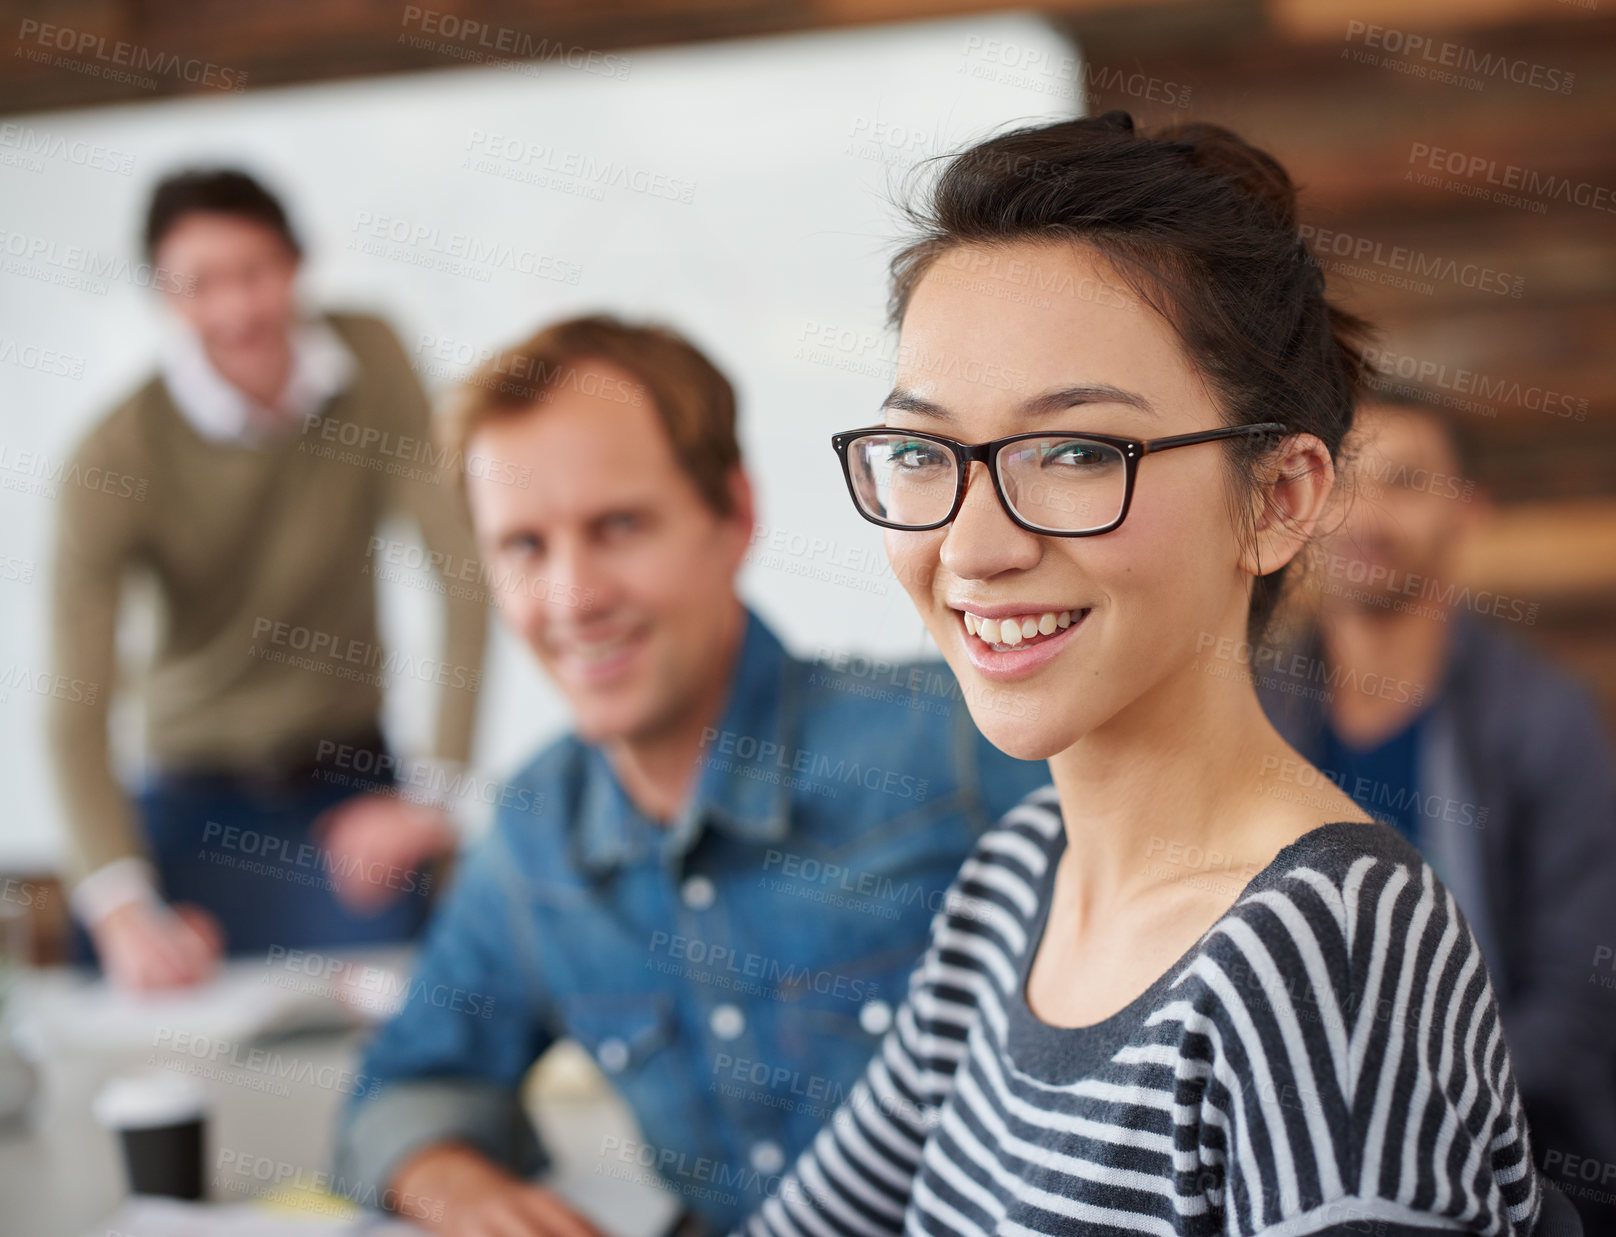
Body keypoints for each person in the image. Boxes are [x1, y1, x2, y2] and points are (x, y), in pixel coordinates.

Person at [736, 112, 1579, 1236]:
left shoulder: (1329, 942)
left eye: (1076, 452)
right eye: (922, 452)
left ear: (1277, 499)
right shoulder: (1018, 875)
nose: (973, 547)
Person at [332, 315, 1051, 1235]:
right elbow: (407, 1084)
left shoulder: (956, 740)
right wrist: (463, 1194)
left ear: (734, 517)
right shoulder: (537, 832)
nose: (572, 598)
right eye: (524, 547)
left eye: (618, 525)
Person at [48, 169, 488, 989]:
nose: (236, 309)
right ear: (161, 296)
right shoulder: (112, 458)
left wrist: (435, 799)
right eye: (199, 284)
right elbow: (75, 710)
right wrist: (119, 905)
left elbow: (465, 570)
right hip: (189, 798)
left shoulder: (372, 357)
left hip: (350, 789)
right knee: (142, 1007)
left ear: (297, 264)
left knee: (397, 1008)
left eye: (254, 272)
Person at [1258, 393, 1616, 1231]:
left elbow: (1581, 994)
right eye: (1343, 483)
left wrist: (1400, 1114)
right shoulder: (1259, 708)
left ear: (1468, 513)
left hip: (1509, 1152)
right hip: (1281, 1136)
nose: (1366, 514)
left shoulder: (1543, 719)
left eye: (1406, 482)